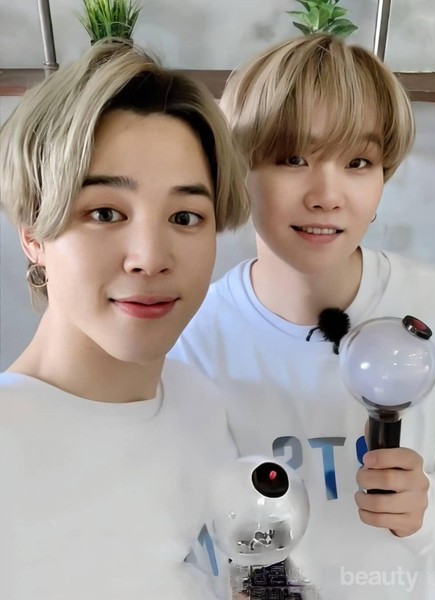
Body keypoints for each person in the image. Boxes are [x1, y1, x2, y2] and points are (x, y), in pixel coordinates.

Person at [169, 33, 435, 600]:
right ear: (238, 167)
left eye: (359, 162)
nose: (327, 195)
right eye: (293, 159)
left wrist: (431, 506)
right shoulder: (190, 338)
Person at [0, 40, 249, 600]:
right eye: (106, 212)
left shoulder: (199, 406)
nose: (150, 257)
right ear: (34, 235)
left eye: (185, 217)